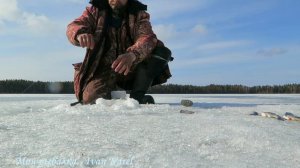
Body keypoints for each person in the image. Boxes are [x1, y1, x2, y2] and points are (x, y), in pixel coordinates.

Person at [66, 0, 173, 105]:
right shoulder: (94, 11)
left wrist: (133, 54)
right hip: (101, 70)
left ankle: (137, 98)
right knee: (91, 100)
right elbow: (74, 26)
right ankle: (116, 94)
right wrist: (79, 34)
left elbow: (147, 37)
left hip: (131, 67)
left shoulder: (139, 14)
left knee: (161, 51)